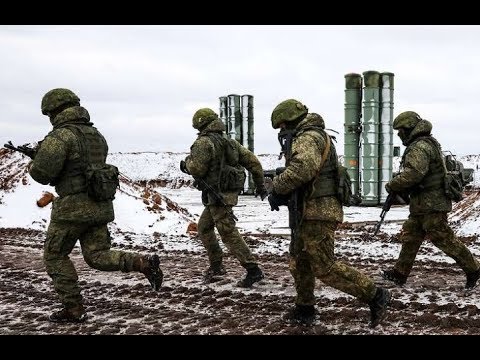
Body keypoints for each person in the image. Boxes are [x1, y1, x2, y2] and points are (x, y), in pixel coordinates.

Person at [29, 88, 163, 323]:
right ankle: (142, 263)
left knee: (55, 256)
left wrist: (36, 159)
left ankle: (73, 309)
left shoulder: (60, 136)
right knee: (97, 255)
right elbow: (82, 167)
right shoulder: (96, 135)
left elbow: (42, 173)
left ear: (54, 111)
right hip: (99, 205)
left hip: (72, 209)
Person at [267, 99, 390, 328]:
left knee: (324, 266)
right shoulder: (309, 136)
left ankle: (376, 295)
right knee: (299, 262)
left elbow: (302, 169)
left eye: (283, 125)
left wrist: (277, 187)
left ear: (292, 120)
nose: (282, 131)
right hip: (307, 211)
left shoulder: (308, 137)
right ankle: (305, 308)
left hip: (318, 212)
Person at [382, 111, 480, 289]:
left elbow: (413, 174)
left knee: (443, 238)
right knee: (411, 236)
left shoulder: (420, 146)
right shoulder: (424, 143)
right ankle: (400, 273)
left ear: (409, 129)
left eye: (400, 131)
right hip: (423, 203)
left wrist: (392, 185)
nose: (399, 134)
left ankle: (474, 268)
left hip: (431, 203)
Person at [181, 108, 268, 287]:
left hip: (217, 196)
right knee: (204, 228)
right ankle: (216, 265)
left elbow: (196, 169)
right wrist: (260, 186)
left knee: (228, 233)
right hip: (224, 195)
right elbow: (254, 163)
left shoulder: (203, 143)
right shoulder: (230, 143)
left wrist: (186, 164)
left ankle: (253, 270)